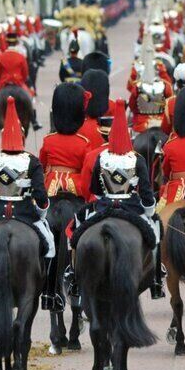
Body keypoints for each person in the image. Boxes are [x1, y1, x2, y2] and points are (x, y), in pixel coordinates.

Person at [77, 100, 162, 298]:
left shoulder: (101, 158)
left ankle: (74, 276)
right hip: (132, 208)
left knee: (79, 231)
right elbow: (147, 194)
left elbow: (95, 191)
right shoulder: (137, 159)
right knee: (156, 234)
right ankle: (156, 279)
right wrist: (150, 211)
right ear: (129, 135)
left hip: (104, 206)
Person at [0, 98, 57, 309]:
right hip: (25, 214)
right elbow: (41, 195)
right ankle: (48, 290)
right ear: (22, 137)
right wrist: (41, 211)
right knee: (49, 246)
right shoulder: (31, 161)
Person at [39, 83, 95, 197]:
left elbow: (41, 166)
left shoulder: (48, 140)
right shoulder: (83, 143)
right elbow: (87, 170)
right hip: (76, 186)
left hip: (50, 185)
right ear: (79, 115)